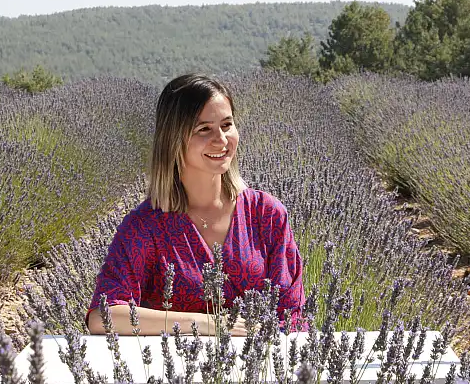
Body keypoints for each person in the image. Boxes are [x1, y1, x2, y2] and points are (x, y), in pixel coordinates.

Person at [86, 73, 306, 336]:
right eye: (204, 129)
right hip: (174, 374)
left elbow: (294, 317)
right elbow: (103, 315)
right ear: (173, 139)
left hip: (263, 370)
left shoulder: (266, 215)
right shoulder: (146, 226)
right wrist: (208, 324)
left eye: (227, 125)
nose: (221, 140)